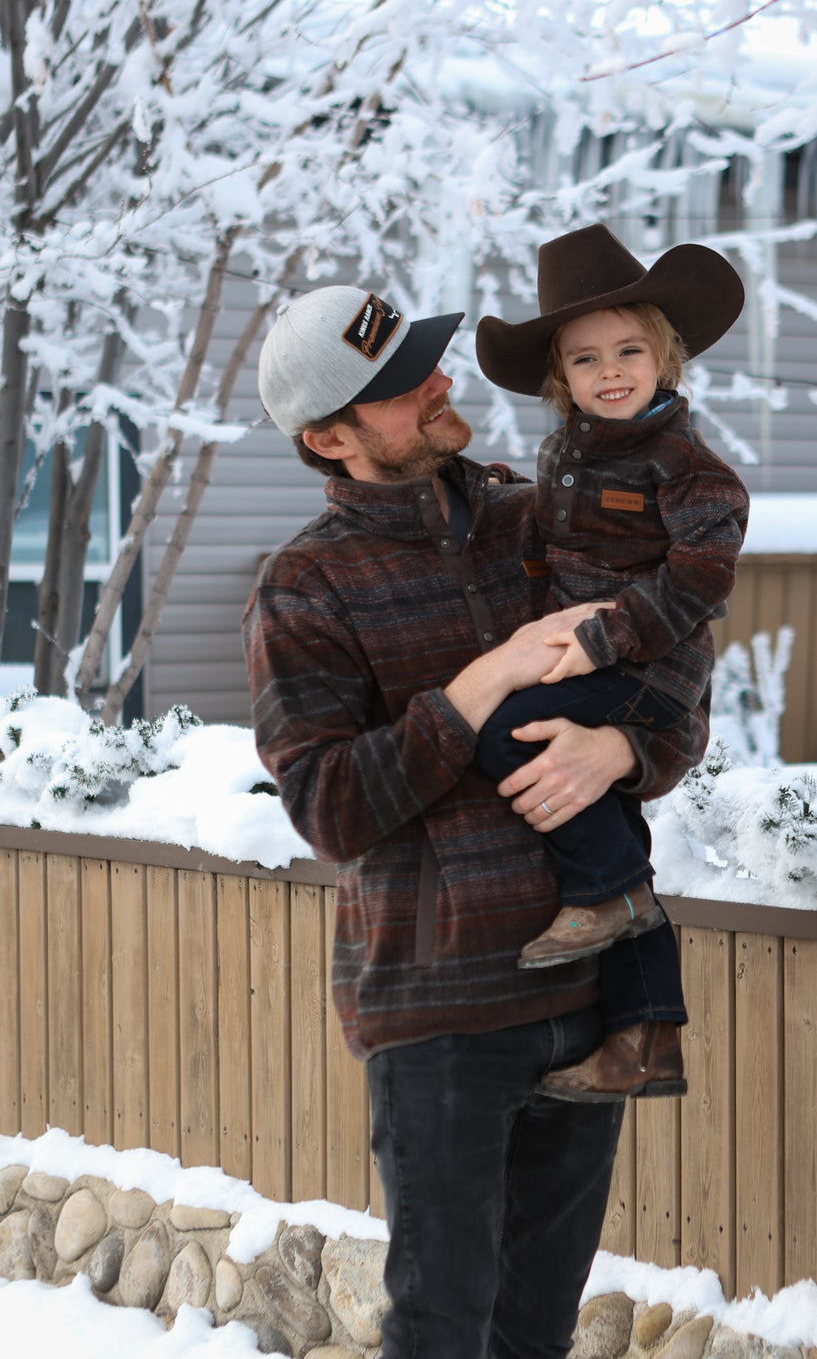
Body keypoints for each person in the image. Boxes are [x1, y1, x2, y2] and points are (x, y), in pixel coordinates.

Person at [242, 281, 711, 1359]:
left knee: (533, 1332)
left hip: (590, 999)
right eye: (402, 385)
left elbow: (679, 672)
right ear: (329, 437)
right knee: (444, 1328)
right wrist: (479, 686)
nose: (440, 381)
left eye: (429, 361)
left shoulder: (540, 513)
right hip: (440, 1011)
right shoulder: (304, 586)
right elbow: (328, 805)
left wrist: (625, 747)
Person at [474, 223, 749, 1098]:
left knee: (505, 726)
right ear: (563, 380)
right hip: (591, 656)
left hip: (651, 666)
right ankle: (647, 1041)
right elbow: (552, 533)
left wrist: (607, 635)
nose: (612, 371)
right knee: (611, 819)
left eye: (630, 349)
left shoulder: (688, 465)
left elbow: (698, 580)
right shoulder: (567, 451)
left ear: (666, 357)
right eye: (587, 360)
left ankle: (608, 892)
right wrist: (501, 497)